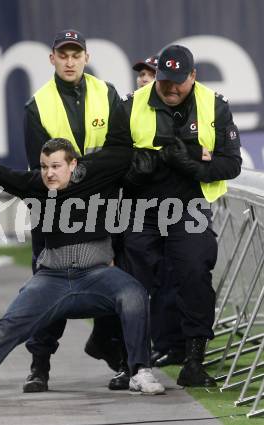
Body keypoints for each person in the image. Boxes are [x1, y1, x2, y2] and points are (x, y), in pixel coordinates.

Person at [0, 138, 166, 403]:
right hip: (52, 279)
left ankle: (140, 371)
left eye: (55, 166)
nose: (49, 173)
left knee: (134, 294)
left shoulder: (99, 176)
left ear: (73, 164)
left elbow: (129, 150)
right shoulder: (36, 187)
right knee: (6, 328)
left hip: (97, 276)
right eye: (43, 166)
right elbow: (1, 174)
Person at [110, 44, 242, 387]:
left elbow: (232, 164)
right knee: (132, 283)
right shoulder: (130, 104)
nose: (170, 88)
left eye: (178, 82)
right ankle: (131, 364)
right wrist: (134, 171)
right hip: (141, 208)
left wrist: (194, 166)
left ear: (193, 76)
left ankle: (193, 360)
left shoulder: (215, 105)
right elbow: (111, 164)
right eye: (164, 81)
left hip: (190, 208)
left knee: (195, 275)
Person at [23, 28, 128, 393]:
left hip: (103, 208)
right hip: (54, 211)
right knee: (47, 287)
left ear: (87, 57)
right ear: (52, 58)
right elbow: (44, 170)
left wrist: (87, 173)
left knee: (114, 280)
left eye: (76, 54)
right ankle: (40, 364)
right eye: (63, 55)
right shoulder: (38, 104)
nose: (70, 62)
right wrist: (91, 172)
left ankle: (110, 346)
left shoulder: (108, 93)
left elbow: (119, 149)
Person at [131, 54, 186, 368]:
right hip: (141, 205)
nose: (144, 79)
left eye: (150, 74)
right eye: (142, 75)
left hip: (171, 206)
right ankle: (157, 343)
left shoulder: (177, 111)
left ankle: (171, 344)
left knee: (169, 278)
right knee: (147, 279)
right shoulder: (133, 109)